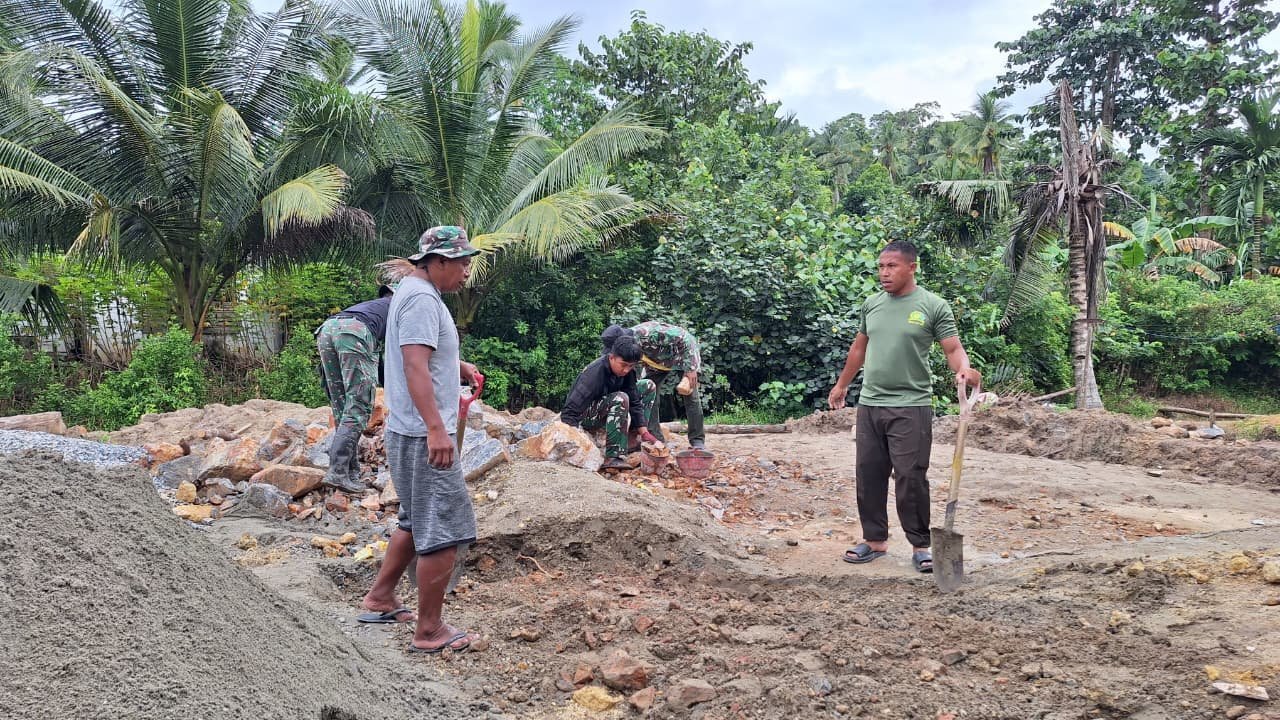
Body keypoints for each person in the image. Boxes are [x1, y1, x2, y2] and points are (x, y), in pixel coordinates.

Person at [357, 226, 483, 653]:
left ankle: (380, 597)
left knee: (415, 520)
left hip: (409, 430)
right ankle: (430, 630)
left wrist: (457, 365)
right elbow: (413, 366)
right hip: (420, 433)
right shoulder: (422, 300)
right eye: (462, 262)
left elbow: (422, 355)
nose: (467, 270)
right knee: (445, 528)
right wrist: (436, 429)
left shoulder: (415, 293)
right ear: (439, 262)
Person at [826, 240, 980, 574]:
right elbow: (858, 350)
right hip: (870, 403)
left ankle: (920, 545)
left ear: (912, 267)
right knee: (869, 473)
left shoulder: (932, 305)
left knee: (910, 476)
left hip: (911, 405)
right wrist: (842, 385)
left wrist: (963, 370)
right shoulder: (872, 304)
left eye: (891, 266)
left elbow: (953, 348)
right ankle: (875, 540)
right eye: (881, 266)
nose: (884, 273)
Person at [315, 284, 394, 494]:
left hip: (327, 329)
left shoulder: (373, 307)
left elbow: (378, 360)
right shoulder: (399, 307)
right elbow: (399, 352)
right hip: (353, 333)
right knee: (359, 404)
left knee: (342, 404)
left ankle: (349, 471)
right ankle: (337, 473)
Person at [561, 334, 659, 470]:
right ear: (611, 357)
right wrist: (576, 439)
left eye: (631, 366)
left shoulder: (627, 372)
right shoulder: (594, 374)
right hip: (586, 415)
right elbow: (569, 412)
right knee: (621, 398)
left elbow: (635, 400)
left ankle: (632, 439)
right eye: (623, 365)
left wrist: (644, 432)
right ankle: (612, 456)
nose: (626, 370)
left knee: (648, 386)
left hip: (610, 405)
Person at [627, 321, 707, 450]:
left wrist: (691, 368)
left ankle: (697, 441)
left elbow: (687, 338)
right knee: (649, 394)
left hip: (682, 357)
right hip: (657, 362)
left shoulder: (648, 334)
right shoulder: (623, 348)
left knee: (691, 395)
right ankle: (655, 439)